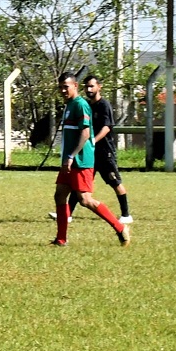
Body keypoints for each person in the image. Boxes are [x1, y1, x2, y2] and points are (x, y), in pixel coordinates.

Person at [52, 72, 129, 248]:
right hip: (69, 161)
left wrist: (71, 156)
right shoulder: (69, 105)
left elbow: (85, 133)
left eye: (66, 86)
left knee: (85, 200)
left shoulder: (80, 105)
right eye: (61, 87)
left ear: (75, 86)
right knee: (60, 195)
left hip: (80, 160)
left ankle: (120, 226)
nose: (63, 90)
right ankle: (61, 239)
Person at [83, 74, 130, 224]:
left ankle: (126, 215)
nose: (89, 89)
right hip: (92, 153)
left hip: (105, 152)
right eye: (87, 86)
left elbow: (107, 127)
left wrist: (93, 141)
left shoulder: (104, 105)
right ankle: (68, 215)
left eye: (91, 86)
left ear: (99, 87)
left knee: (115, 182)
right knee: (81, 183)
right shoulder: (88, 105)